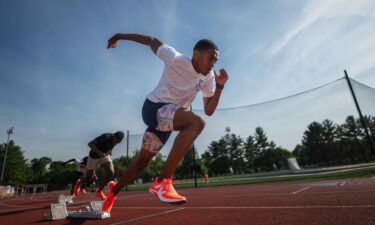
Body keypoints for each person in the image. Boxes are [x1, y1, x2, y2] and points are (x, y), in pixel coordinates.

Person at [102, 33, 228, 213]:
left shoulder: (209, 78)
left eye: (215, 61)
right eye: (210, 59)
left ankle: (112, 194)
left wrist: (220, 87)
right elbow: (151, 41)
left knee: (141, 163)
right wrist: (119, 36)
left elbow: (208, 109)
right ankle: (163, 182)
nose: (212, 64)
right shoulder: (175, 58)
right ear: (196, 54)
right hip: (153, 109)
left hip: (167, 121)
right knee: (196, 123)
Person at [74, 131, 124, 200]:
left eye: (118, 142)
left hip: (104, 156)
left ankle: (99, 191)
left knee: (111, 173)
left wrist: (110, 150)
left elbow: (113, 145)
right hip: (93, 157)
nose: (116, 143)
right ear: (113, 136)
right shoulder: (105, 137)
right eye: (116, 141)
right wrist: (99, 152)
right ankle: (79, 183)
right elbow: (90, 144)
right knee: (89, 177)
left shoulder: (115, 141)